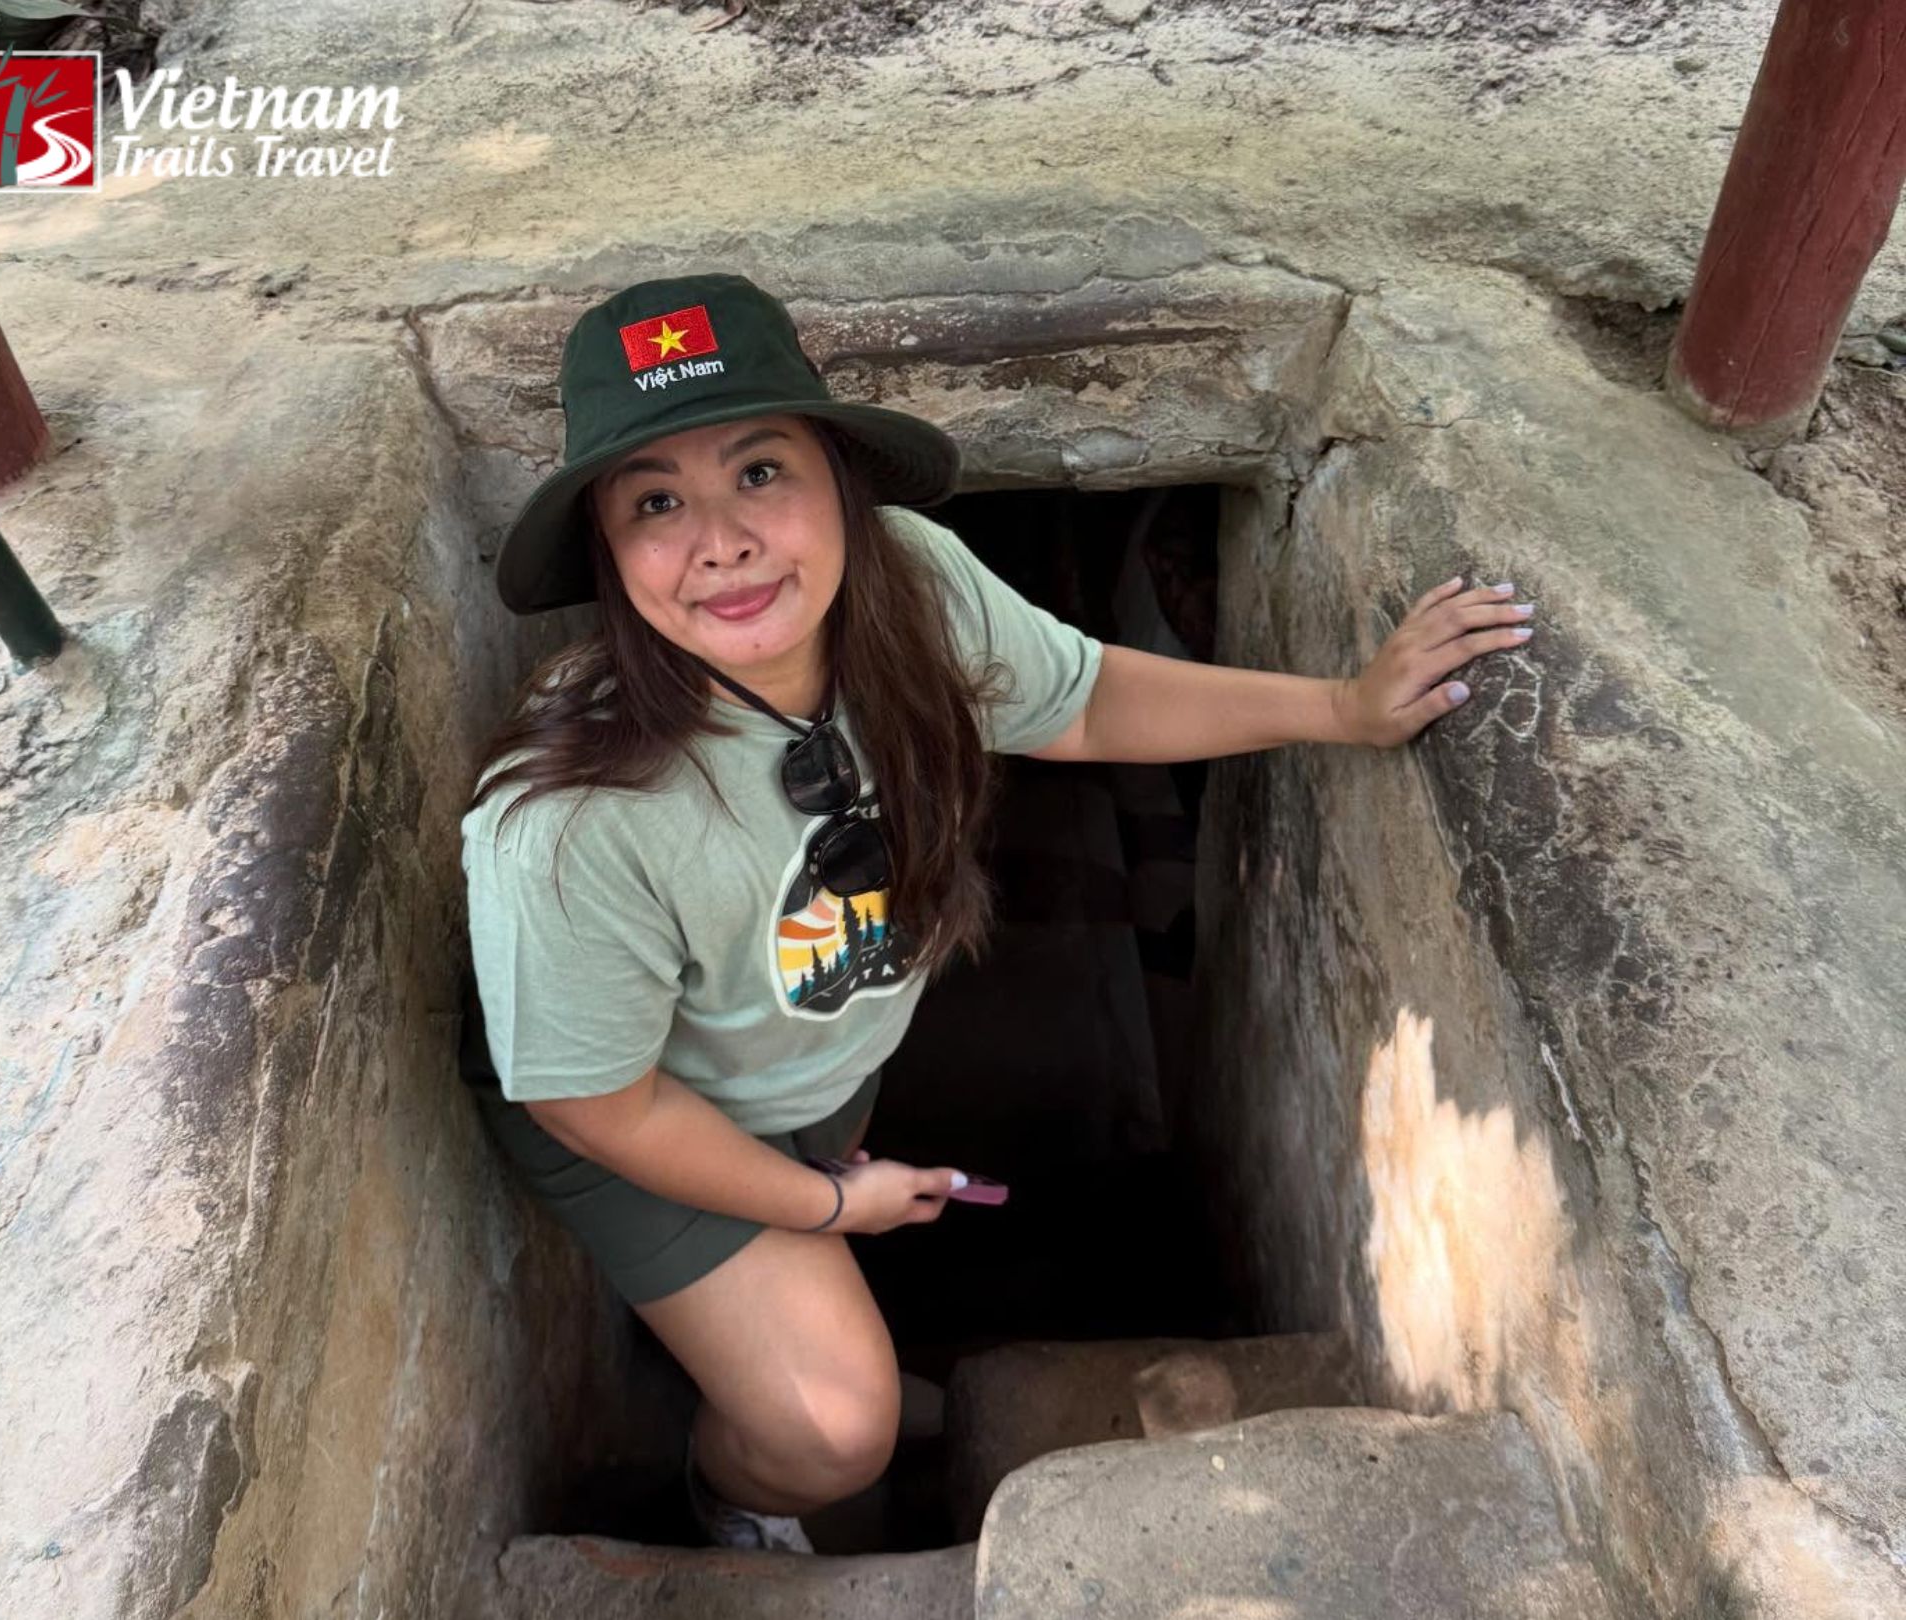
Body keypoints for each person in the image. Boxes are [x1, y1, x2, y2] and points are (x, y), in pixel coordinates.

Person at [457, 272, 1537, 1553]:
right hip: (635, 1102)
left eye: (760, 472)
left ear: (841, 483)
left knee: (820, 1283)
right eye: (655, 501)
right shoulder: (573, 820)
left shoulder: (907, 588)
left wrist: (1344, 710)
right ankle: (733, 1490)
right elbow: (596, 1102)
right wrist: (825, 1211)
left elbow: (1076, 704)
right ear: (605, 547)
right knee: (835, 1425)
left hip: (800, 1053)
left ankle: (762, 1322)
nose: (723, 538)